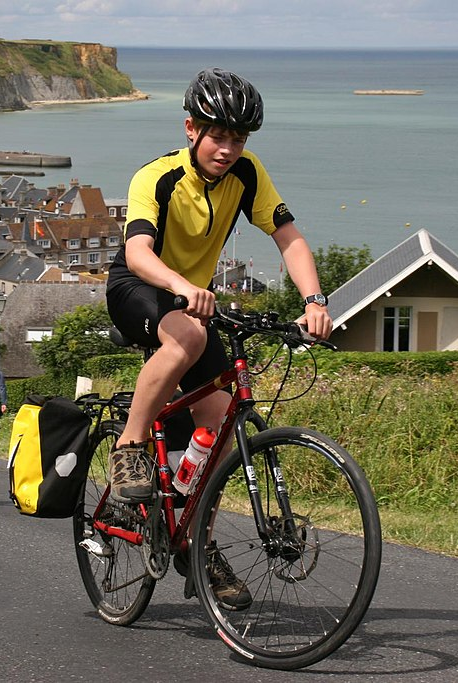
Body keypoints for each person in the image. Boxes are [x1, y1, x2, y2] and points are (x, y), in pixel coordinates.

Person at [105, 68, 333, 609]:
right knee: (184, 340)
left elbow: (289, 238)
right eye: (219, 135)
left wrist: (314, 301)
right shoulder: (156, 177)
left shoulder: (248, 176)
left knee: (218, 422)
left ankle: (195, 542)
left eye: (239, 138)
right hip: (139, 288)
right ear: (192, 129)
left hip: (193, 301)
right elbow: (138, 253)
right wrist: (182, 286)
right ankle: (130, 446)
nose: (228, 149)